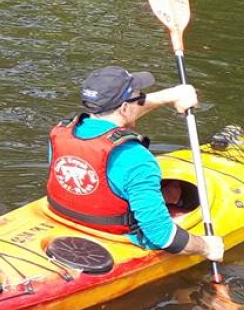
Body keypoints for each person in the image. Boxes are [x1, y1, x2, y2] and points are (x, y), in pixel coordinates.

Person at [46, 65, 224, 261]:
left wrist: (171, 95)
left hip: (65, 217)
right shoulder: (136, 158)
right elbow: (163, 237)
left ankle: (169, 196)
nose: (142, 102)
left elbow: (118, 116)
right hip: (117, 236)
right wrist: (206, 247)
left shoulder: (60, 132)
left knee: (166, 190)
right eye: (140, 97)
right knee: (180, 198)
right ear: (124, 108)